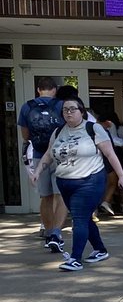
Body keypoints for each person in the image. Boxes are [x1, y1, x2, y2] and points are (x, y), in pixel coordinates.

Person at [28, 98, 123, 272]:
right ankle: (100, 249)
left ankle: (75, 259)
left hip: (89, 180)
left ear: (81, 112)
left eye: (73, 109)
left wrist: (121, 176)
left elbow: (111, 155)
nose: (68, 112)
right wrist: (37, 172)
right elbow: (48, 155)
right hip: (65, 183)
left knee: (79, 219)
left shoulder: (93, 128)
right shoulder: (58, 131)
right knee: (84, 218)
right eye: (65, 110)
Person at [18, 77, 65, 251]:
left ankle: (48, 231)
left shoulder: (27, 106)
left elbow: (25, 135)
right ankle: (57, 233)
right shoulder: (61, 105)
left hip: (38, 155)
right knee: (61, 196)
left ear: (39, 89)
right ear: (55, 89)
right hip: (61, 155)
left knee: (45, 197)